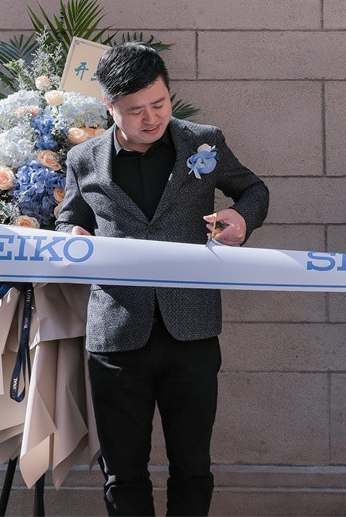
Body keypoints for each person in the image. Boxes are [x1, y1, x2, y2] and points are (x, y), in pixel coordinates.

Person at [56, 43, 269, 516]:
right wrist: (71, 236)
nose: (151, 118)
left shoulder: (204, 142)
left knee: (192, 467)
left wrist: (242, 218)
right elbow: (70, 219)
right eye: (135, 110)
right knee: (122, 473)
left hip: (190, 330)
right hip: (116, 335)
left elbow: (253, 188)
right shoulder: (83, 158)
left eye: (160, 103)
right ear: (109, 105)